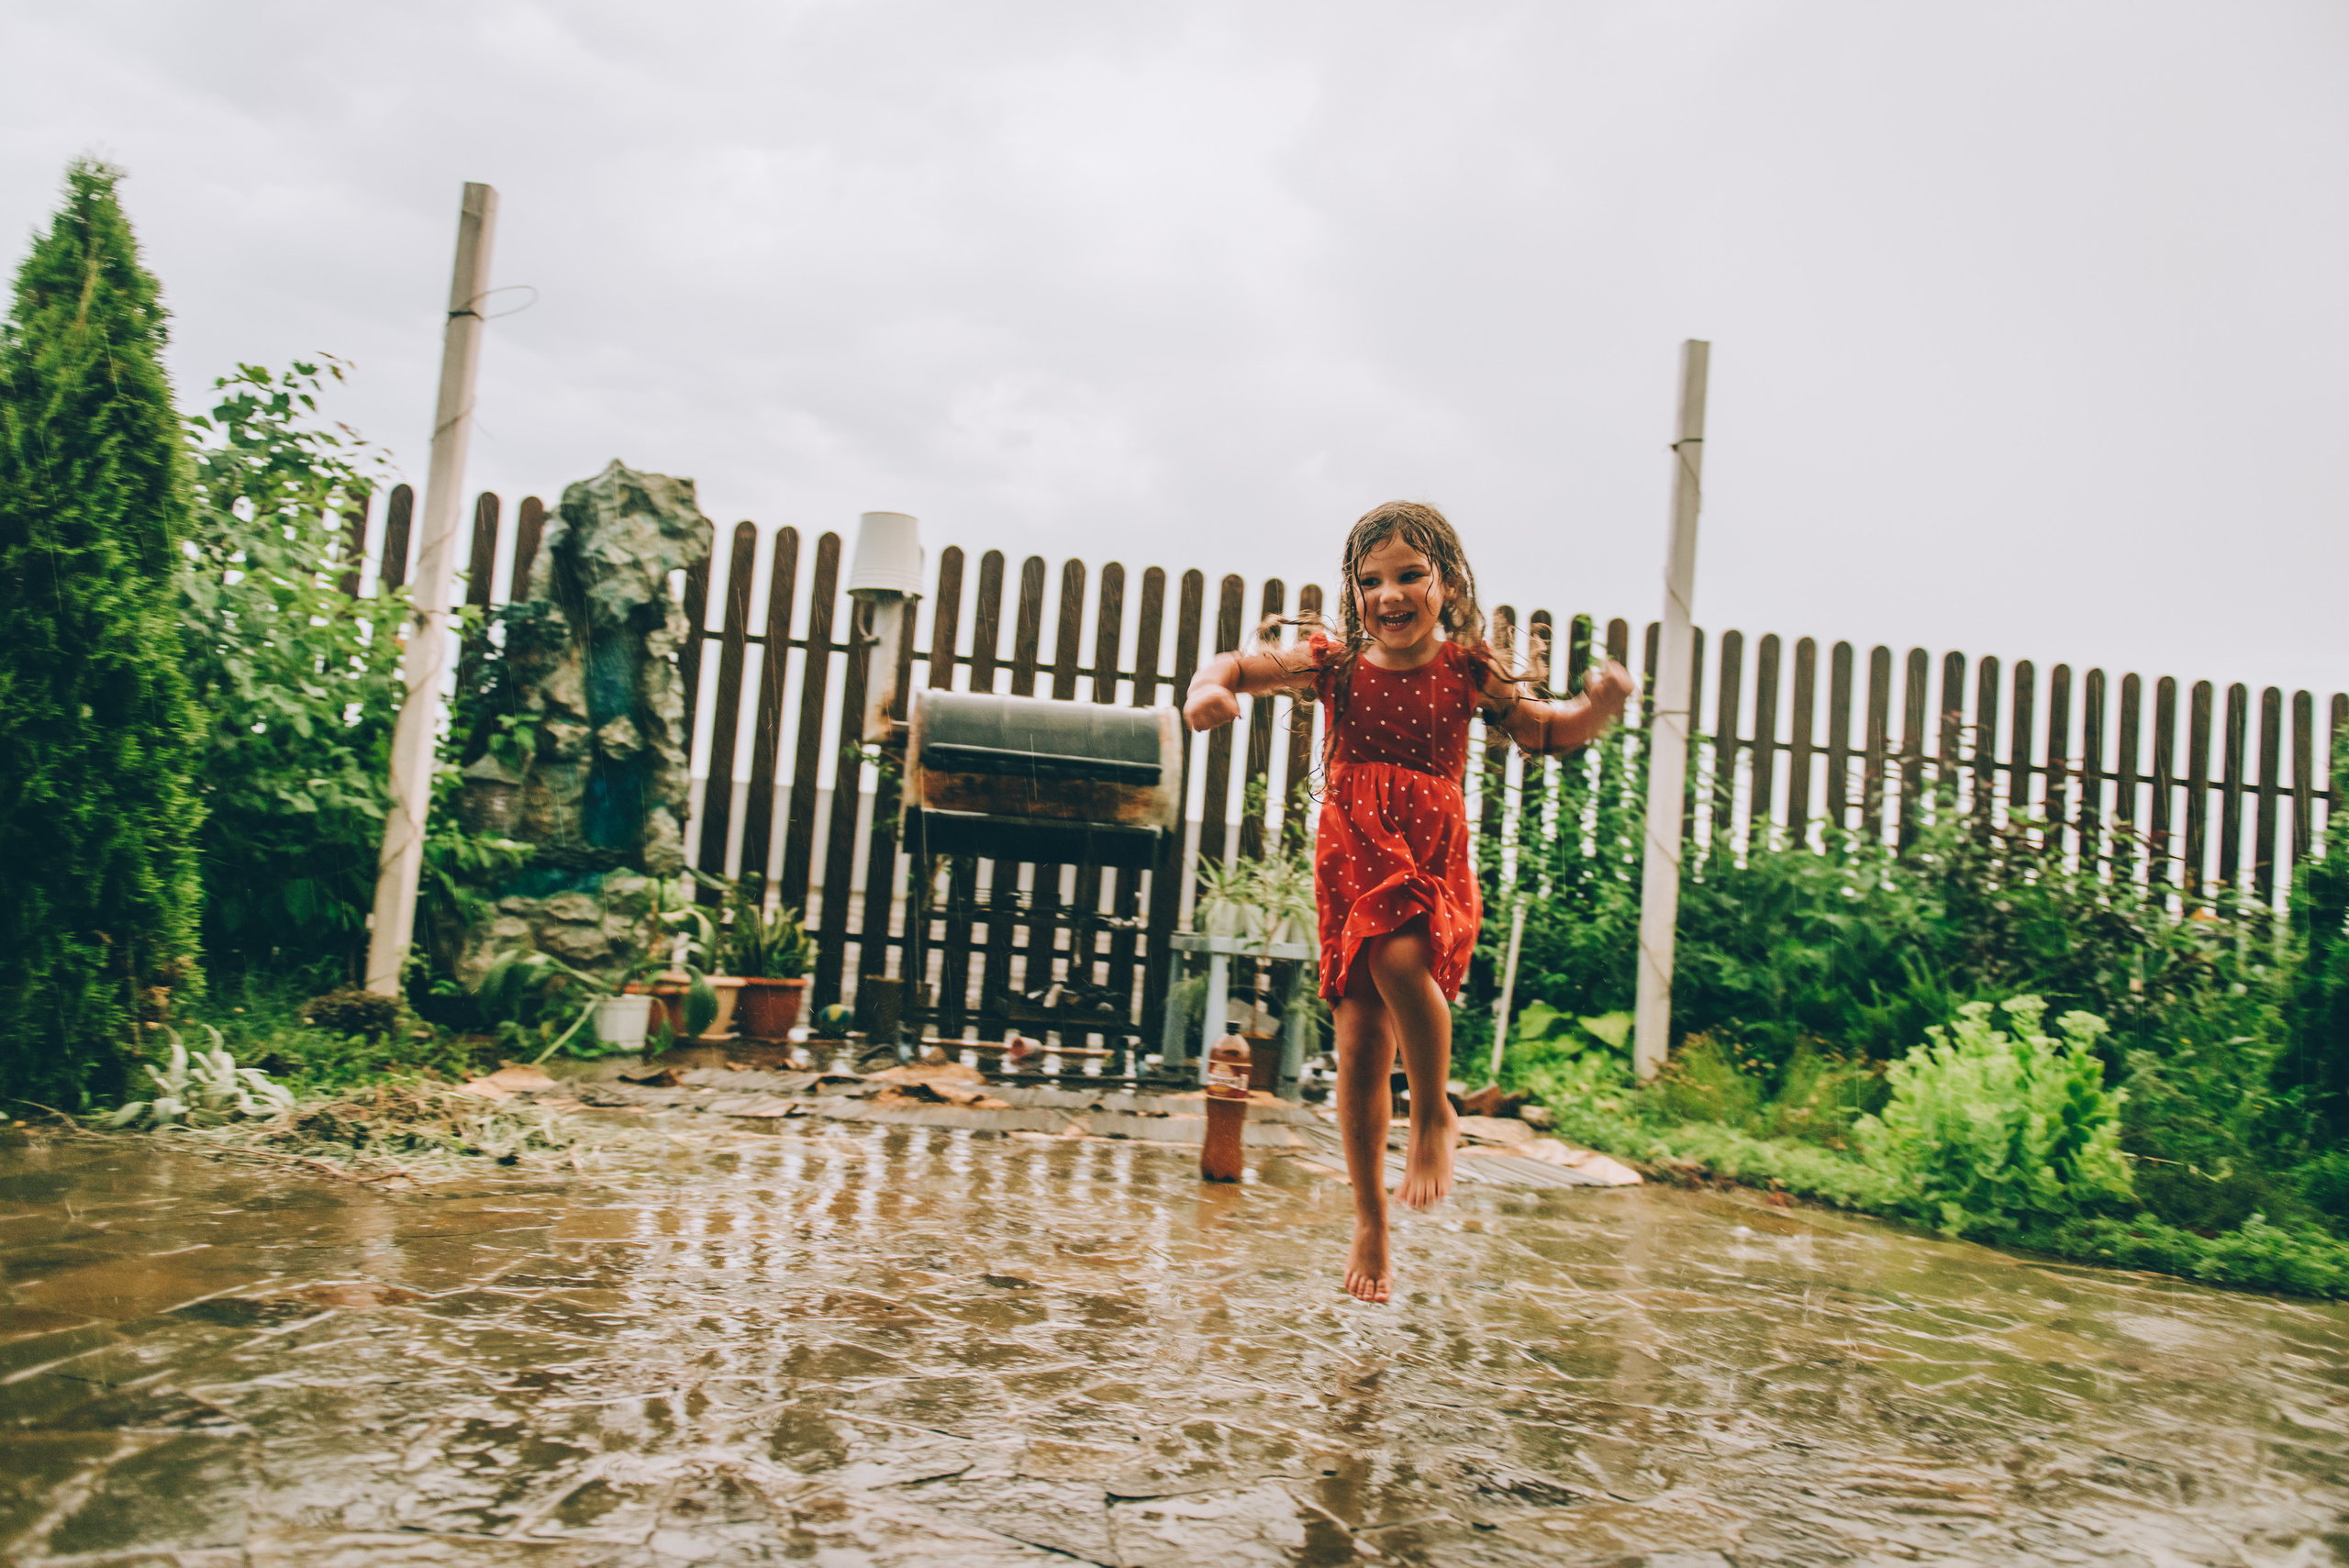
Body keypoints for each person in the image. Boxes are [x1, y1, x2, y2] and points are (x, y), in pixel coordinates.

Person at [1183, 501, 1634, 1303]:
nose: (1389, 594)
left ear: (1448, 583)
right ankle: (1370, 1220)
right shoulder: (1335, 666)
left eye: (1408, 575)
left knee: (1398, 954)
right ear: (1354, 592)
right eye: (1371, 580)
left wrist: (1597, 708)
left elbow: (1543, 731)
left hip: (1424, 854)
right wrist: (1207, 693)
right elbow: (1234, 665)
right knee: (1358, 1042)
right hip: (1351, 852)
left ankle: (1433, 1112)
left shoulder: (1466, 672)